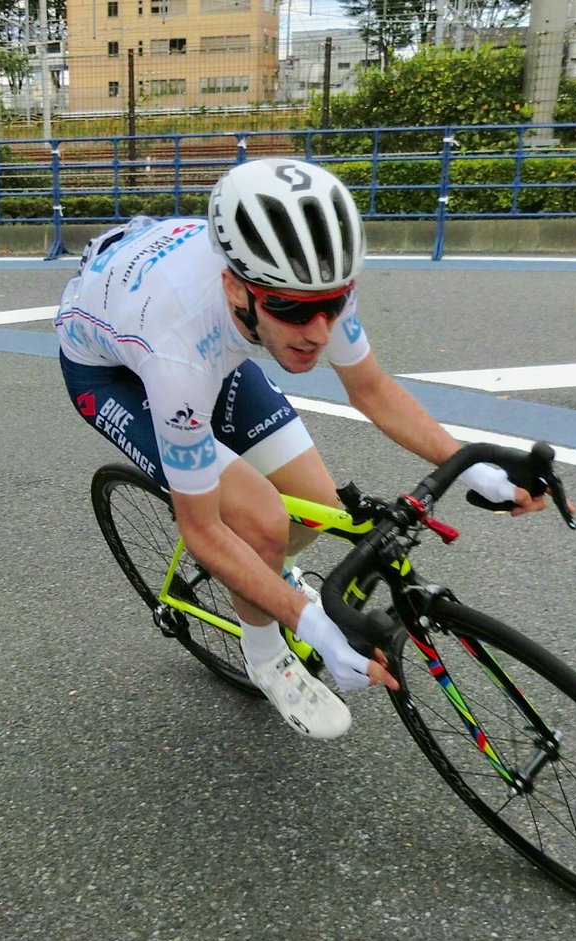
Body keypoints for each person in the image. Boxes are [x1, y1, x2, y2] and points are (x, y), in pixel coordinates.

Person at [56, 157, 547, 740]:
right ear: (236, 286)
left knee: (313, 502)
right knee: (258, 520)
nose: (317, 330)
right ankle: (265, 659)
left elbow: (372, 389)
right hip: (113, 370)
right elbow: (203, 530)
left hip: (197, 325)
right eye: (291, 310)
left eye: (334, 305)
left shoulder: (309, 285)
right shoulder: (178, 349)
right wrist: (304, 623)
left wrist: (473, 467)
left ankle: (262, 578)